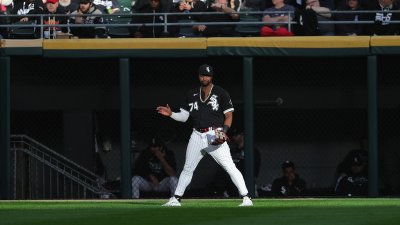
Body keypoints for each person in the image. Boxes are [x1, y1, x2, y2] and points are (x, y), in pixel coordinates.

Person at [156, 64, 253, 207]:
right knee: (188, 168)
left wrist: (223, 131)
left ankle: (246, 197)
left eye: (207, 75)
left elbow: (229, 115)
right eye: (202, 75)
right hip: (196, 134)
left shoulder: (221, 93)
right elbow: (184, 117)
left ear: (211, 77)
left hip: (214, 133)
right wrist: (171, 114)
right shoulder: (192, 94)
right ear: (198, 76)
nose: (204, 77)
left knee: (229, 166)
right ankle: (176, 198)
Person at [211, 127, 261, 197]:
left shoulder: (252, 151)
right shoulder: (232, 151)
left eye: (236, 135)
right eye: (233, 135)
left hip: (245, 183)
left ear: (242, 135)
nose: (234, 137)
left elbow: (254, 171)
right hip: (230, 184)